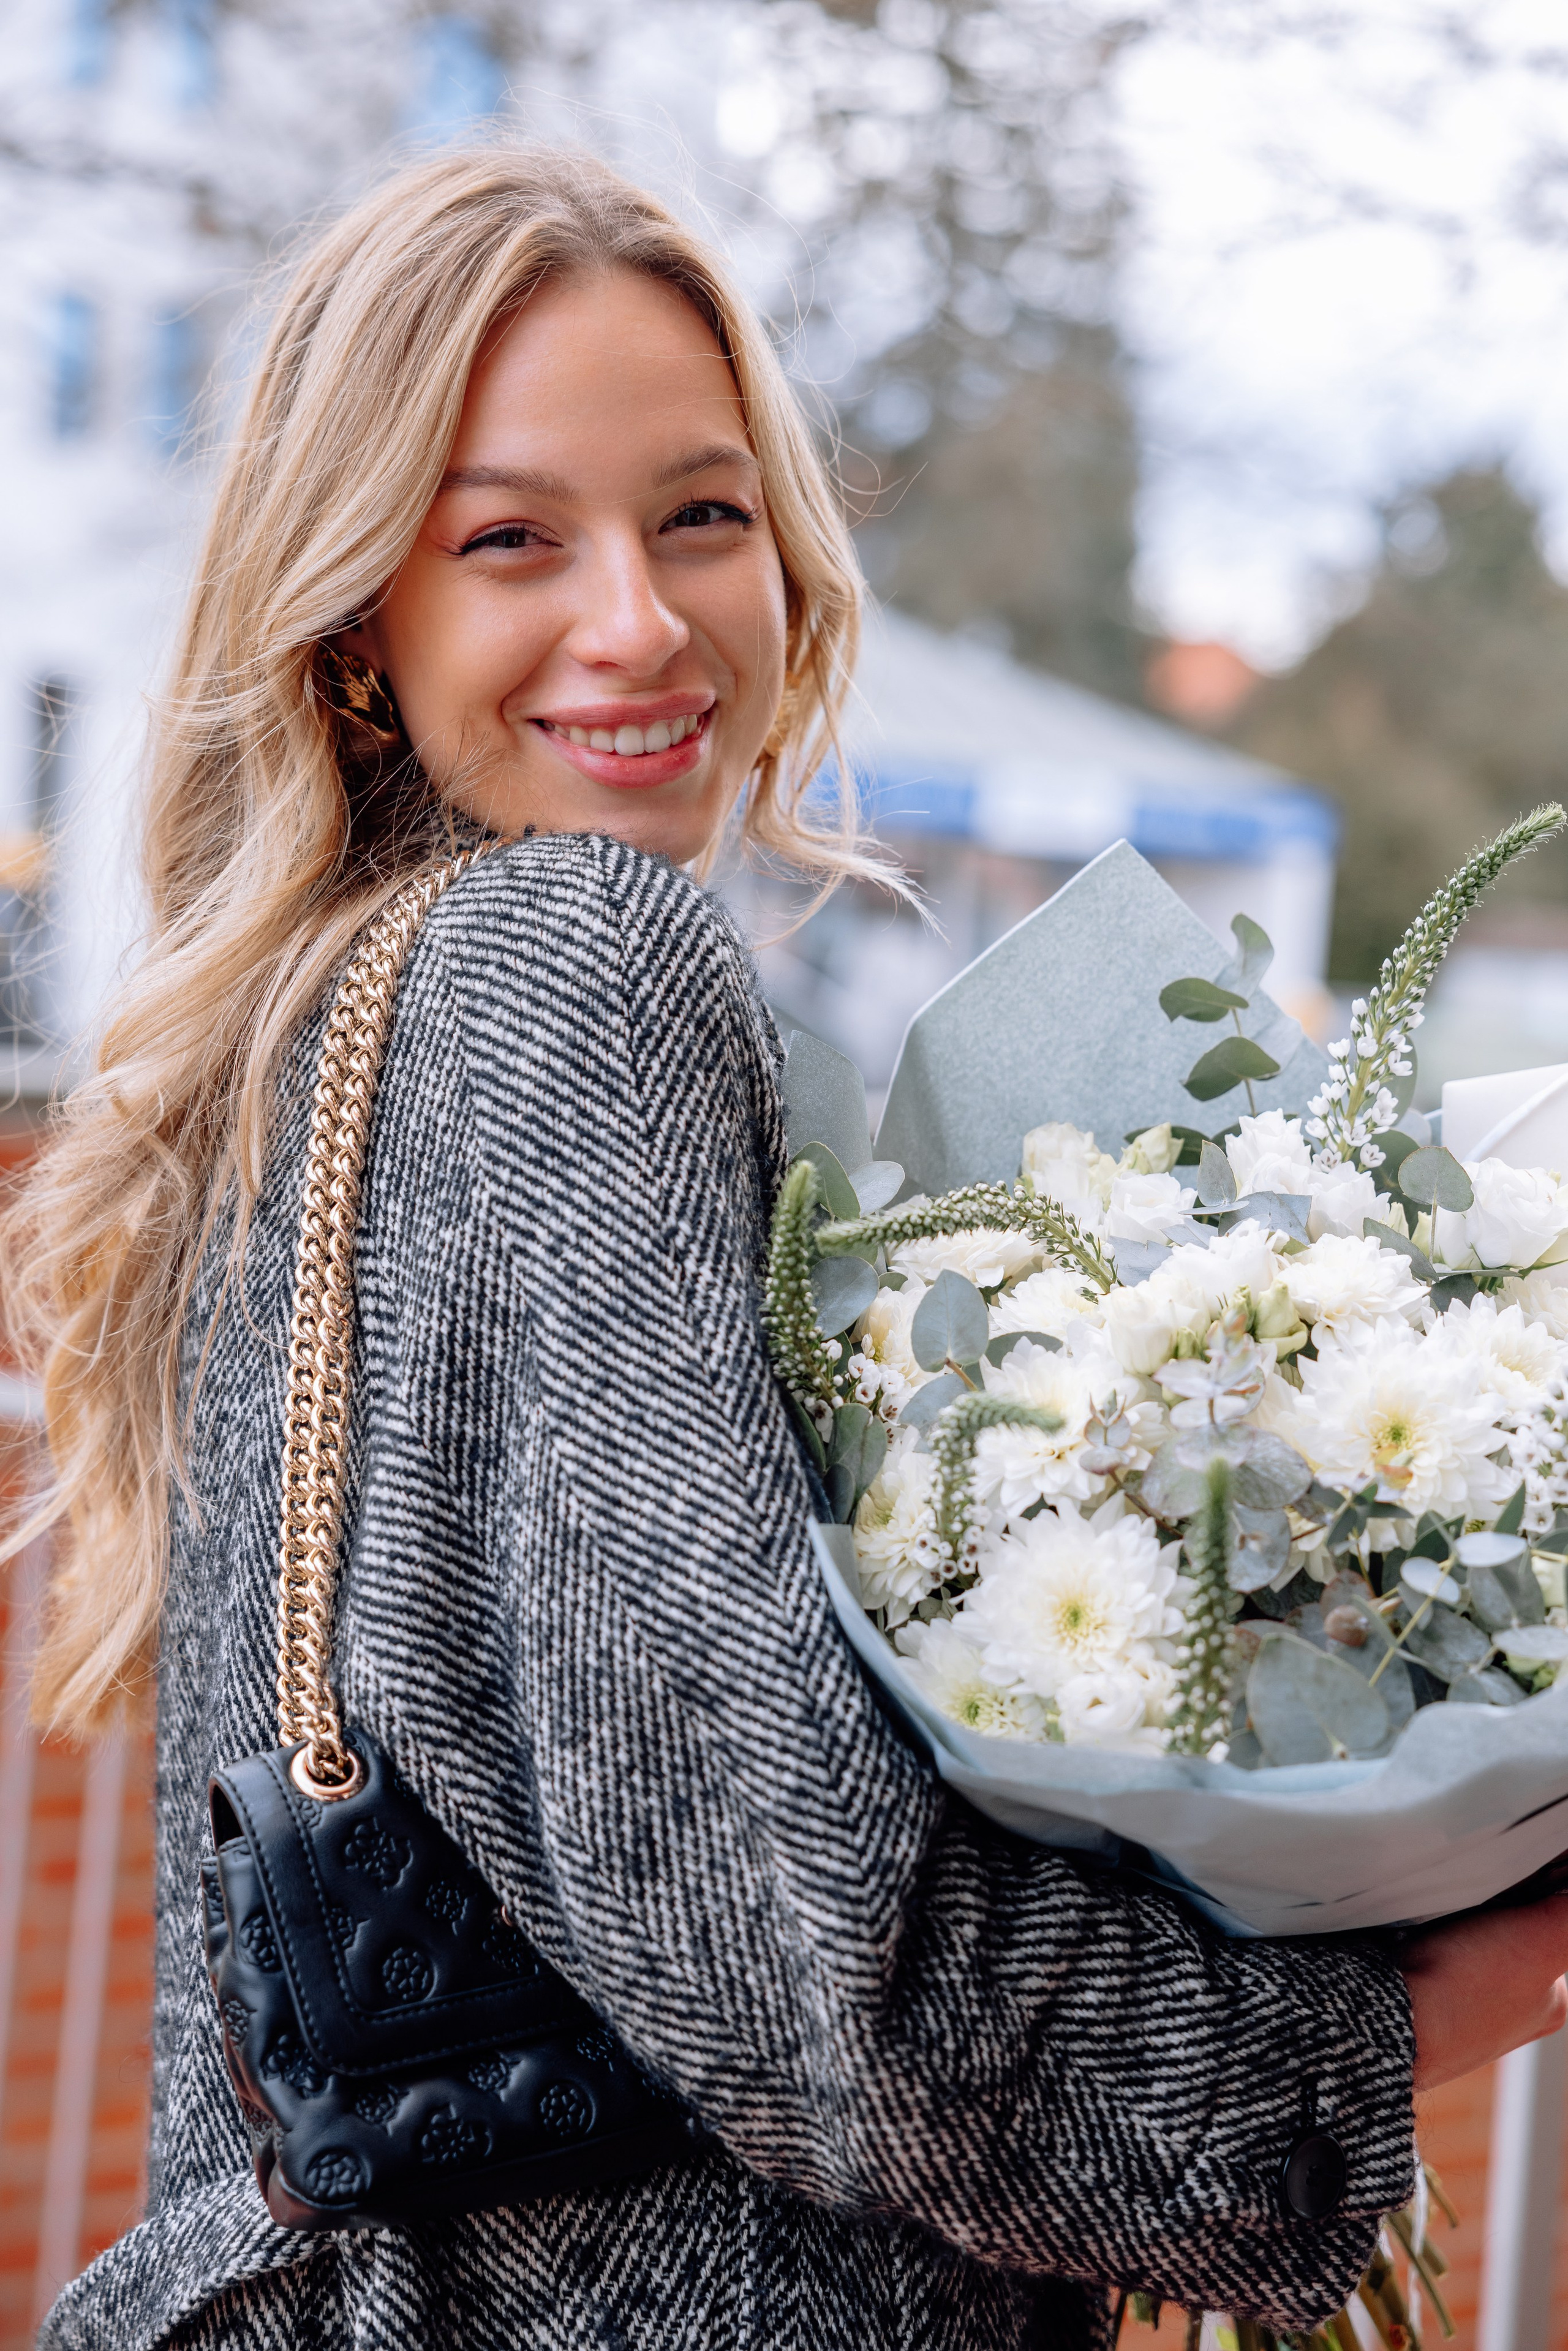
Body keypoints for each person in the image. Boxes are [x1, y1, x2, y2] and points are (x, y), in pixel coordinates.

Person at [8, 146, 1567, 2351]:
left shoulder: (310, 1036)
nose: (639, 621)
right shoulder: (574, 966)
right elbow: (817, 1957)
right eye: (511, 539)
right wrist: (1394, 2031)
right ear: (360, 619)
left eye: (704, 516)